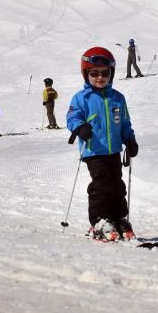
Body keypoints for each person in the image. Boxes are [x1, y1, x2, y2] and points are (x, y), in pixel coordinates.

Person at [67, 47, 139, 241]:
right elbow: (72, 117)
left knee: (117, 185)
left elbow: (124, 123)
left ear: (111, 73)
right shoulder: (81, 98)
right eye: (94, 73)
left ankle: (118, 217)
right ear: (86, 74)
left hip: (113, 150)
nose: (100, 77)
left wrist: (130, 140)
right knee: (102, 185)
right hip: (93, 150)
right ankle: (99, 220)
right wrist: (80, 127)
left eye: (104, 73)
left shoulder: (117, 98)